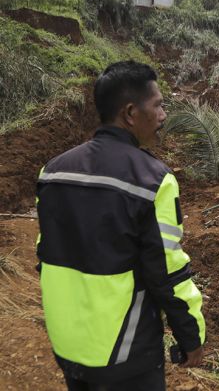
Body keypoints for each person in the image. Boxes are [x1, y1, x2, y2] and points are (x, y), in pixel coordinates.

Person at [36, 60, 205, 390]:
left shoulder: (53, 172)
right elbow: (167, 272)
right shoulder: (153, 180)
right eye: (157, 106)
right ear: (130, 113)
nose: (163, 116)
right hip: (125, 355)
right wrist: (191, 336)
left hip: (68, 344)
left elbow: (45, 254)